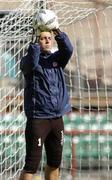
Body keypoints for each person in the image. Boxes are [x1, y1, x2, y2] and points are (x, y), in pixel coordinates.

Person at [19, 28, 73, 180]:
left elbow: (68, 49)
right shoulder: (29, 62)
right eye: (43, 38)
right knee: (31, 166)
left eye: (49, 38)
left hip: (56, 120)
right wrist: (34, 46)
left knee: (55, 163)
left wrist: (58, 32)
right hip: (38, 120)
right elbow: (31, 61)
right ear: (36, 41)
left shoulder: (57, 59)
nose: (48, 40)